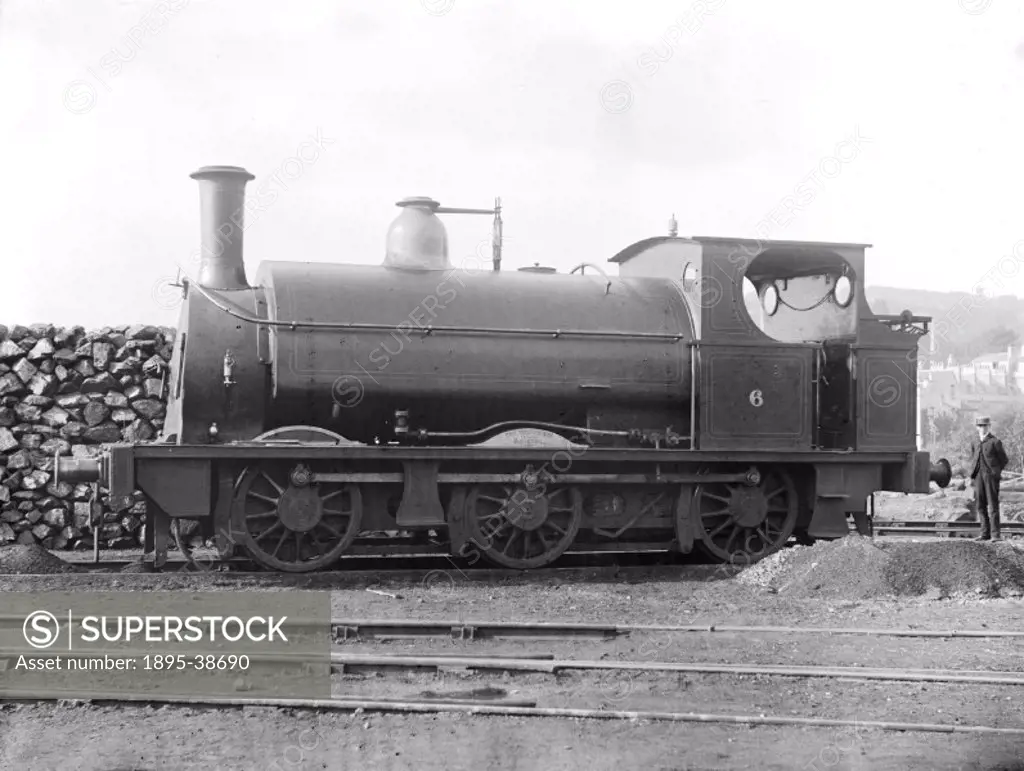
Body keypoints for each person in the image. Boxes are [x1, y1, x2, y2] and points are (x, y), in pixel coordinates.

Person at [968, 416, 1009, 541]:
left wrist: (995, 473)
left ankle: (995, 535)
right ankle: (985, 534)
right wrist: (973, 475)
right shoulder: (974, 441)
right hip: (978, 476)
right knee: (980, 505)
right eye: (980, 426)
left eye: (985, 425)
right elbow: (973, 457)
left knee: (993, 506)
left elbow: (1004, 460)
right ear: (977, 427)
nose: (982, 428)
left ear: (989, 427)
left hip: (991, 477)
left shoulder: (995, 442)